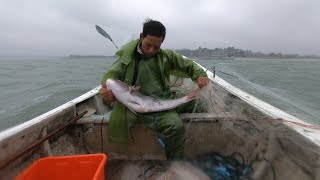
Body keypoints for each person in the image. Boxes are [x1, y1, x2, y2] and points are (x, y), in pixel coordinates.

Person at [100, 19, 209, 160]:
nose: (151, 50)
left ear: (161, 43)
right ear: (141, 36)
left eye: (156, 47)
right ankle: (174, 164)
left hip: (166, 96)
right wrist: (106, 94)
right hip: (145, 106)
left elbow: (188, 65)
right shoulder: (125, 61)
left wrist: (200, 75)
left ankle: (197, 145)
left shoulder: (166, 56)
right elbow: (107, 81)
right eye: (148, 45)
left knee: (200, 103)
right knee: (175, 126)